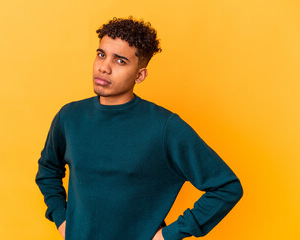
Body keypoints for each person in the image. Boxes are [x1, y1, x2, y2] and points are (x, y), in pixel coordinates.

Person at [35, 16, 243, 240]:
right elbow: (48, 169)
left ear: (140, 75)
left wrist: (169, 235)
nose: (104, 67)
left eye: (120, 61)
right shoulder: (70, 117)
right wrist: (62, 219)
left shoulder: (165, 128)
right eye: (101, 54)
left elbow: (226, 187)